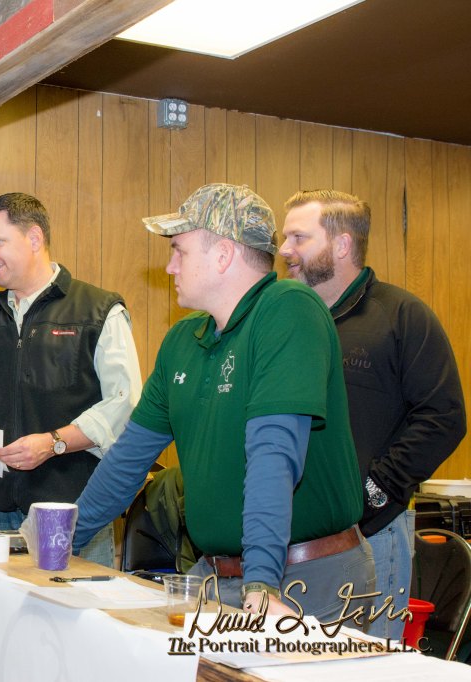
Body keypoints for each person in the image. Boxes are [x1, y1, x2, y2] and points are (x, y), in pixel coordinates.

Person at [73, 183, 373, 622]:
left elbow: (273, 455)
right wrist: (54, 542)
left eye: (179, 251)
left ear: (223, 255)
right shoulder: (183, 340)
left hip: (306, 581)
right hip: (218, 576)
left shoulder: (289, 309)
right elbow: (127, 459)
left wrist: (261, 583)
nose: (170, 266)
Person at [280, 190, 467, 638]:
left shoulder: (401, 316)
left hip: (372, 537)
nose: (284, 249)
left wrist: (375, 490)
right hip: (287, 539)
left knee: (363, 662)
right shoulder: (287, 318)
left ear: (342, 244)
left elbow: (443, 416)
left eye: (298, 237)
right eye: (284, 237)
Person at [0, 192, 143, 567]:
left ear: (34, 238)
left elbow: (123, 404)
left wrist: (53, 443)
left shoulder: (98, 311)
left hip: (75, 515)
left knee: (75, 608)